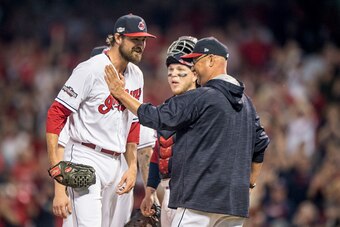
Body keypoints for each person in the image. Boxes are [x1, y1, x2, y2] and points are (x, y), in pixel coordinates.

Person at [104, 36, 270, 227]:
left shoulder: (201, 96)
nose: (194, 68)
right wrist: (249, 185)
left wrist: (120, 94)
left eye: (195, 62)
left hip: (197, 203)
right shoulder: (247, 103)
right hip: (233, 207)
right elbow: (260, 145)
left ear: (211, 60)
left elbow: (156, 117)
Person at [45, 14, 156, 227]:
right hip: (85, 156)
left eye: (143, 40)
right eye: (135, 40)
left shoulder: (136, 74)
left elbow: (134, 123)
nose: (141, 45)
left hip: (116, 163)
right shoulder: (91, 68)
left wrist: (132, 166)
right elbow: (56, 114)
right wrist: (57, 172)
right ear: (118, 38)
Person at [139, 36, 198, 227]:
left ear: (196, 73)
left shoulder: (205, 105)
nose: (173, 75)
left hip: (192, 193)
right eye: (171, 70)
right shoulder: (168, 107)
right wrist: (150, 190)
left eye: (181, 70)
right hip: (169, 193)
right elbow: (160, 150)